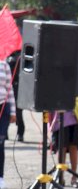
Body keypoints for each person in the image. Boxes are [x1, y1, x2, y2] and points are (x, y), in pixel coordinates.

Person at [50, 111, 78, 187]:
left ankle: (74, 177)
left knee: (74, 146)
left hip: (76, 115)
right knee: (61, 147)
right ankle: (60, 177)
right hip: (59, 117)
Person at [0, 60, 17, 188]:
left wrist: (13, 111)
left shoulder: (4, 64)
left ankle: (0, 177)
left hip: (3, 107)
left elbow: (9, 89)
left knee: (0, 143)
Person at [6, 50, 25, 141]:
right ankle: (5, 132)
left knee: (18, 112)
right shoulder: (8, 57)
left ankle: (20, 133)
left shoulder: (19, 57)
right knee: (8, 111)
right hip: (11, 87)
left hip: (18, 88)